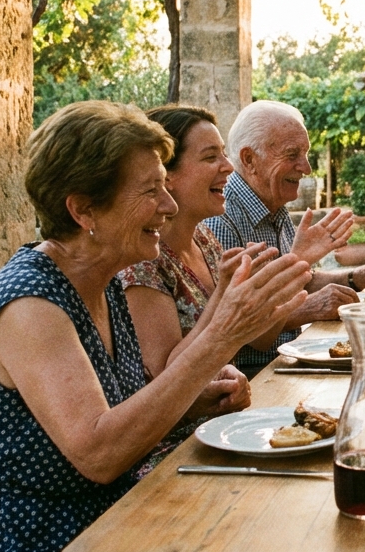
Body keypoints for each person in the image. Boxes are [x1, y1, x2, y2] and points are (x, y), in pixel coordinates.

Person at [0, 101, 311, 552]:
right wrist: (223, 334)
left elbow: (123, 407)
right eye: (150, 190)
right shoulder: (28, 304)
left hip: (111, 515)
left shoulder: (101, 282)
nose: (169, 204)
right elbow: (99, 455)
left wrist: (193, 401)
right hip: (38, 537)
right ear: (84, 210)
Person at [122, 105, 350, 377]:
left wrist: (291, 269)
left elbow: (260, 336)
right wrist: (294, 264)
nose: (229, 166)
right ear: (166, 175)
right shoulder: (144, 262)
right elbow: (165, 383)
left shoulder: (203, 239)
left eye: (223, 154)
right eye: (210, 157)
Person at [205, 100, 365, 373]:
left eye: (306, 153)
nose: (307, 167)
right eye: (292, 154)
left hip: (290, 361)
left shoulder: (271, 202)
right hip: (254, 374)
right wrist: (307, 309)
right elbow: (238, 327)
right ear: (249, 159)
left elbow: (303, 278)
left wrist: (358, 277)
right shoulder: (222, 218)